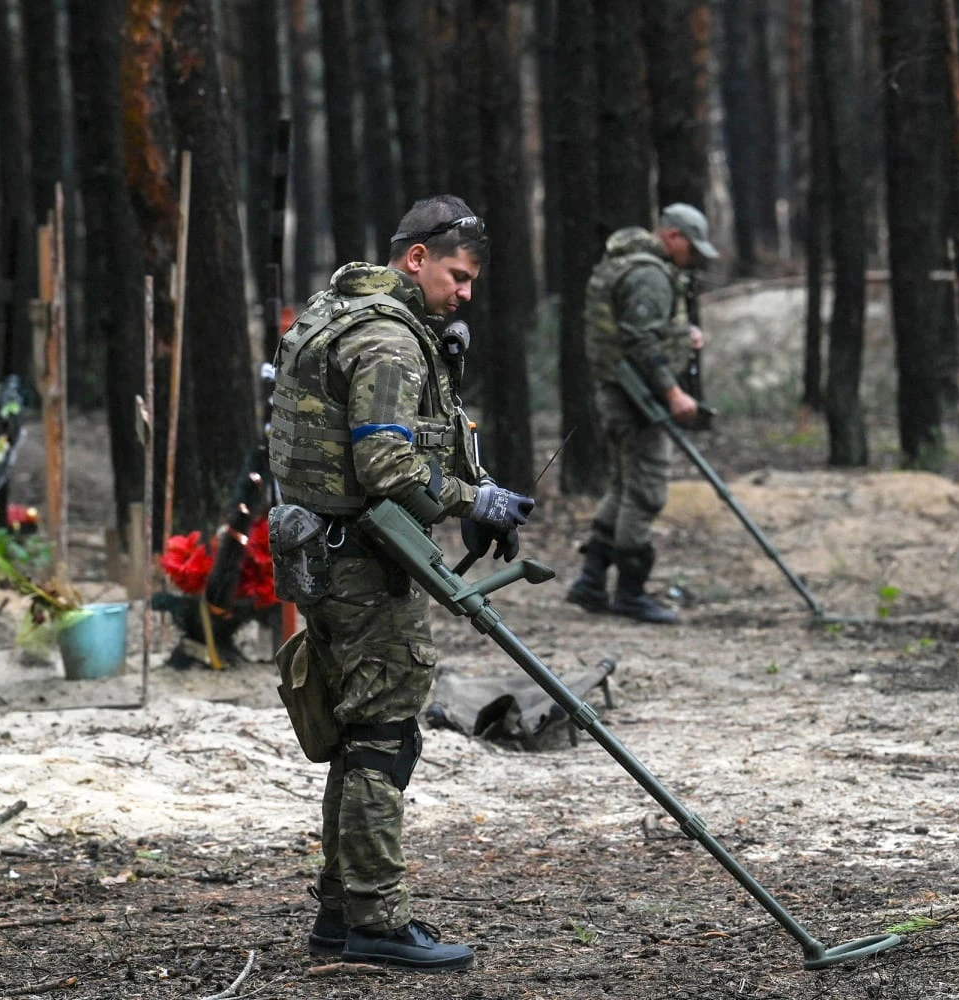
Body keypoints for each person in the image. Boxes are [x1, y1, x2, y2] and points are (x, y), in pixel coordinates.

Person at [267, 195, 534, 971]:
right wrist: (470, 498)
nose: (465, 294)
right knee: (384, 737)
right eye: (456, 276)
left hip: (322, 550)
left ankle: (338, 914)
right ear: (415, 259)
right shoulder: (388, 340)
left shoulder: (343, 305)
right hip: (358, 563)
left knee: (359, 736)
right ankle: (377, 923)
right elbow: (385, 466)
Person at [565, 203, 718, 625]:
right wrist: (673, 394)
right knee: (646, 492)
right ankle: (630, 591)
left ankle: (591, 581)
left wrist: (682, 335)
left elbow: (637, 327)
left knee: (622, 486)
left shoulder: (627, 264)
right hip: (636, 400)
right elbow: (640, 342)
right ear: (672, 236)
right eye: (692, 247)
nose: (694, 257)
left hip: (618, 396)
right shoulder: (649, 273)